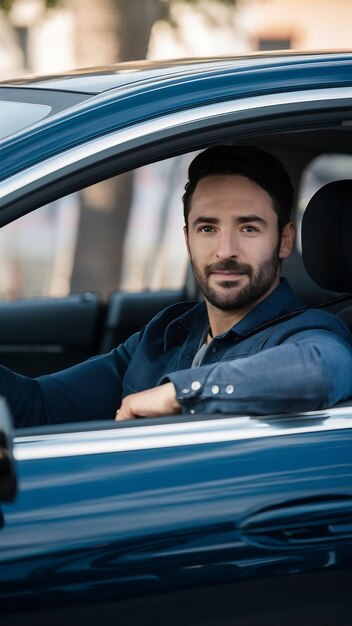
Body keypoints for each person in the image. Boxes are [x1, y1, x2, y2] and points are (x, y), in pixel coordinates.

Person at [2, 145, 352, 428]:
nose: (225, 250)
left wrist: (179, 394)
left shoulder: (308, 332)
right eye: (207, 228)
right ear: (187, 239)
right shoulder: (166, 333)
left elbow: (323, 370)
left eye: (248, 228)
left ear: (285, 240)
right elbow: (40, 406)